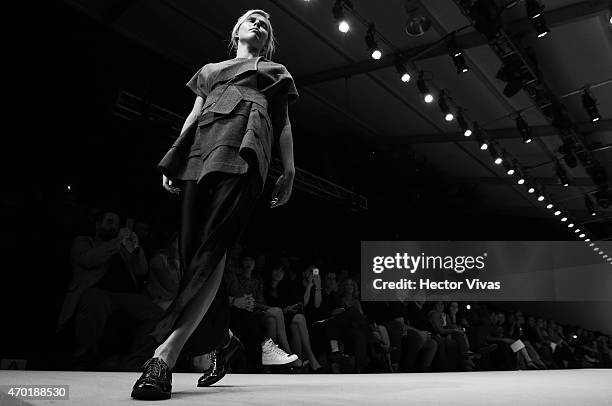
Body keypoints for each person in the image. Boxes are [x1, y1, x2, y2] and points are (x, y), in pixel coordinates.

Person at [131, 9, 299, 400]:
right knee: (195, 254)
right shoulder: (210, 70)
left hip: (244, 153)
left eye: (266, 25)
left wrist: (289, 169)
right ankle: (222, 339)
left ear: (268, 39)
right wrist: (175, 155)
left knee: (214, 246)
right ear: (237, 30)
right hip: (199, 153)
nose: (259, 25)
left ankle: (164, 356)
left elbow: (284, 122)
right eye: (252, 20)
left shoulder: (275, 71)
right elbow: (194, 114)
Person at [56, 209, 160, 370]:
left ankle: (134, 363)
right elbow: (88, 259)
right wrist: (116, 241)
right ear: (98, 224)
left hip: (125, 297)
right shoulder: (84, 241)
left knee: (156, 313)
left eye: (117, 224)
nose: (114, 226)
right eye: (110, 222)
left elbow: (141, 270)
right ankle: (83, 362)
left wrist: (136, 248)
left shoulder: (122, 249)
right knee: (94, 300)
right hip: (96, 292)